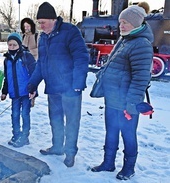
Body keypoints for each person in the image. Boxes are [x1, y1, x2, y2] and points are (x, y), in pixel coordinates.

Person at [90, 4, 153, 181]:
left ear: (136, 23)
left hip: (127, 102)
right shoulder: (125, 39)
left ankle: (128, 168)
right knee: (110, 132)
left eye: (125, 22)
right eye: (120, 22)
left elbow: (140, 78)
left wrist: (131, 105)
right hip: (113, 98)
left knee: (128, 135)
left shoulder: (141, 44)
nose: (121, 26)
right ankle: (108, 163)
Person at [28, 2, 89, 167]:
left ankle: (70, 153)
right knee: (55, 119)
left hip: (70, 88)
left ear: (53, 19)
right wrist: (32, 84)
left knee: (71, 122)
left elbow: (81, 58)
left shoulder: (70, 31)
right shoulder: (43, 37)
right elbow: (41, 64)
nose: (40, 26)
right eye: (38, 23)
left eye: (42, 22)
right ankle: (57, 146)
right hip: (53, 87)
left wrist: (77, 84)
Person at [0, 32, 36, 148]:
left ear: (19, 45)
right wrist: (4, 91)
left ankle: (25, 137)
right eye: (9, 45)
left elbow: (34, 74)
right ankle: (16, 134)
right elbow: (7, 77)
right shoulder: (7, 60)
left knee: (25, 114)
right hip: (14, 93)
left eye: (14, 45)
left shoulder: (26, 56)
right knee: (15, 114)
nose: (11, 47)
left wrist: (33, 90)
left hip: (26, 92)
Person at [21, 17, 39, 107]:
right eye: (24, 27)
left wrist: (29, 52)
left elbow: (39, 49)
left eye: (28, 26)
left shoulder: (36, 36)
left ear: (31, 26)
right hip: (24, 62)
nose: (26, 28)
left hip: (33, 61)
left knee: (33, 79)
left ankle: (33, 97)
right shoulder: (23, 36)